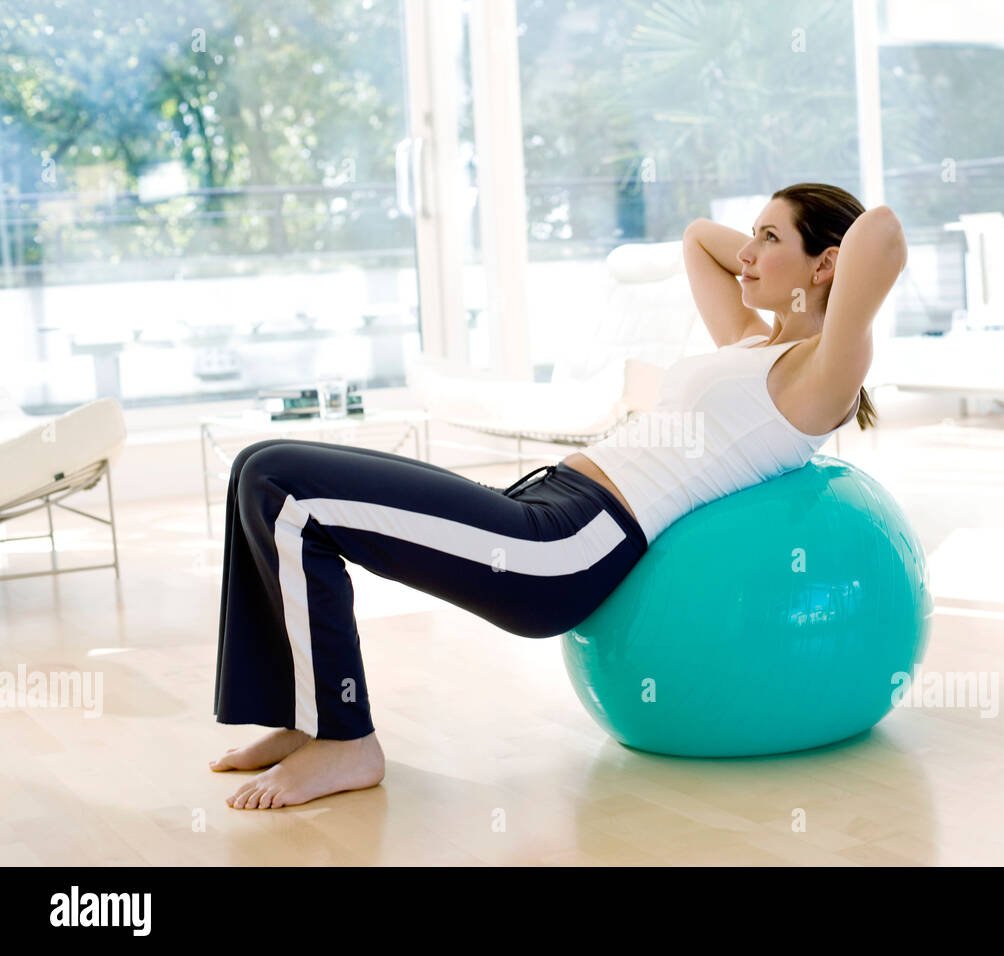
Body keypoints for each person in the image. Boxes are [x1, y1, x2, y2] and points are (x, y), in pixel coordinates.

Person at [210, 182, 907, 809]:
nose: (747, 253)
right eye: (752, 235)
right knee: (257, 466)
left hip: (570, 547)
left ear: (826, 264)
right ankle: (302, 718)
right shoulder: (752, 343)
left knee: (285, 489)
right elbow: (698, 237)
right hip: (546, 504)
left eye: (770, 237)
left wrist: (829, 271)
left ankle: (345, 738)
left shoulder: (816, 381)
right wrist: (784, 256)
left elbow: (882, 232)